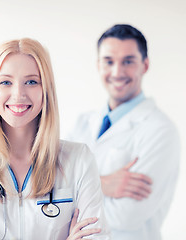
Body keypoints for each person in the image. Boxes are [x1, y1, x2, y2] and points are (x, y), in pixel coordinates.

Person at [0, 38, 110, 240]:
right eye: (5, 82)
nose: (18, 94)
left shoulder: (79, 159)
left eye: (31, 82)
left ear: (46, 89)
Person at [67, 24, 180, 240]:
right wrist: (102, 183)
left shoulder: (161, 131)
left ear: (145, 65)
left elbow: (126, 216)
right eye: (109, 61)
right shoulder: (82, 123)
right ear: (98, 65)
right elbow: (48, 186)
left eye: (128, 61)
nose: (117, 72)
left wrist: (72, 190)